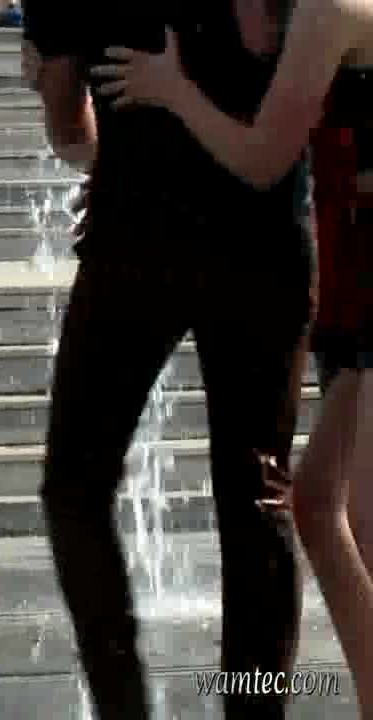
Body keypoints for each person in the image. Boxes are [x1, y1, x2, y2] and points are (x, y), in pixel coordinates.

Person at [23, 2, 313, 717]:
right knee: (256, 497)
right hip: (259, 236)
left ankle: (123, 702)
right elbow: (267, 41)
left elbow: (67, 127)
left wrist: (120, 145)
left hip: (138, 233)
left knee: (75, 488)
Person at [90, 1, 373, 714]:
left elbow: (261, 156)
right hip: (354, 279)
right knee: (317, 506)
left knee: (363, 522)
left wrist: (170, 89)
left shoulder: (329, 8)